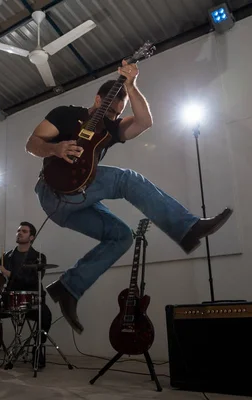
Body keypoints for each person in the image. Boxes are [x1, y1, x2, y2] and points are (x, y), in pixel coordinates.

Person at [26, 60, 233, 334]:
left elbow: (145, 122)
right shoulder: (65, 114)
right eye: (110, 108)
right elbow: (32, 144)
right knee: (126, 179)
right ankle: (188, 227)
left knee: (122, 236)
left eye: (117, 112)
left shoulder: (111, 129)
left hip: (77, 199)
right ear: (98, 98)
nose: (112, 115)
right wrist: (56, 149)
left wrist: (131, 85)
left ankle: (68, 287)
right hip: (52, 195)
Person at [0, 222, 51, 367]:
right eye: (18, 230)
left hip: (30, 301)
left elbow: (33, 280)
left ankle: (38, 348)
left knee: (45, 315)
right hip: (9, 299)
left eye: (24, 231)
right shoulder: (6, 257)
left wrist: (9, 273)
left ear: (31, 237)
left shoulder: (39, 257)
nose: (19, 233)